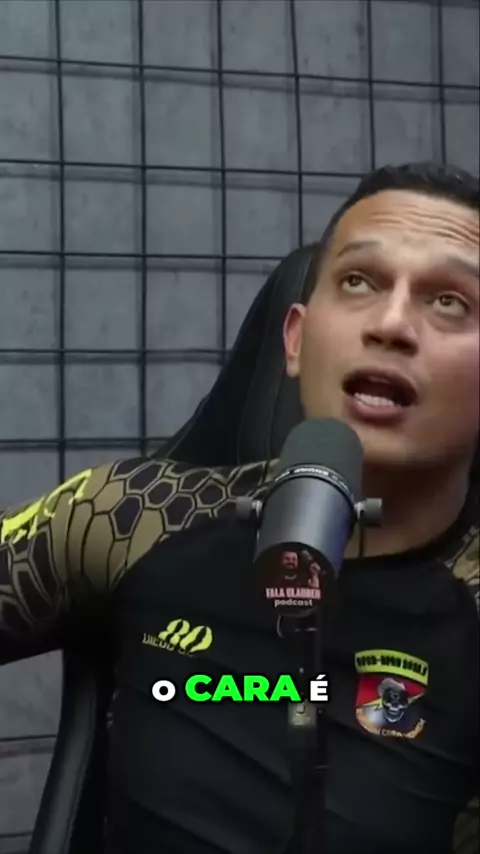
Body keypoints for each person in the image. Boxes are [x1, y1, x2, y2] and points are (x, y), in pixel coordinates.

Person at [0, 162, 478, 854]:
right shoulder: (135, 517)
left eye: (450, 301)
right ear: (296, 340)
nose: (392, 323)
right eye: (358, 281)